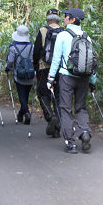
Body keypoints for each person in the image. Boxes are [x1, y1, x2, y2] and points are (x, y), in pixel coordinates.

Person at [47, 8, 97, 154]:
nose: (64, 18)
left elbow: (56, 59)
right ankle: (84, 132)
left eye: (66, 16)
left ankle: (71, 143)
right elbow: (92, 62)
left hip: (66, 77)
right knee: (81, 107)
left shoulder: (62, 35)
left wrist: (50, 79)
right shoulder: (86, 37)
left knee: (66, 109)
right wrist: (92, 81)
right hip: (84, 78)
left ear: (73, 19)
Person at [33, 8, 64, 138]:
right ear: (58, 19)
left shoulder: (43, 30)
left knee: (43, 94)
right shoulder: (64, 31)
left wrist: (36, 68)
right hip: (61, 69)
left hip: (44, 68)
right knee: (58, 96)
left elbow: (36, 52)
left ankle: (50, 117)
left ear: (47, 19)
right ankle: (57, 124)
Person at [5, 25, 35, 124]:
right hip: (31, 74)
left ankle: (26, 113)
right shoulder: (32, 46)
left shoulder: (14, 47)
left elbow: (10, 61)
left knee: (22, 95)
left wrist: (7, 68)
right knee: (25, 95)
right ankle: (21, 114)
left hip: (19, 75)